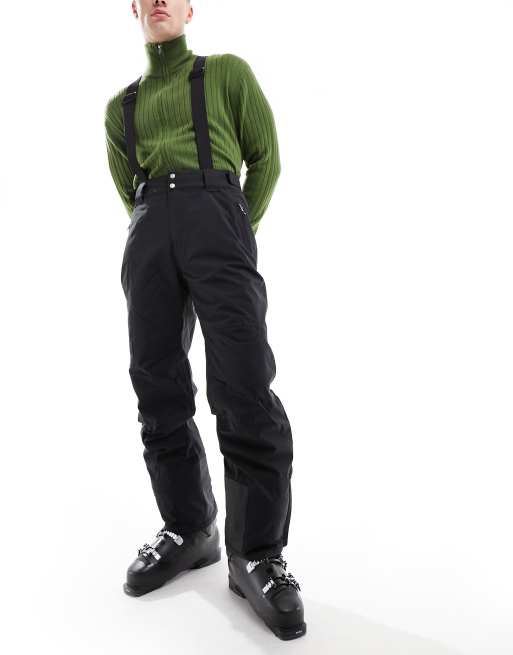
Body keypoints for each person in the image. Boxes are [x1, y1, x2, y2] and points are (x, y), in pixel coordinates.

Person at [104, 0, 306, 640]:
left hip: (218, 219)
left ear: (190, 9)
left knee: (243, 383)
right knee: (156, 381)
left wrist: (233, 227)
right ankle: (190, 527)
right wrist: (159, 231)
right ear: (135, 9)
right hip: (149, 234)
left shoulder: (227, 73)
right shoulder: (120, 107)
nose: (160, 0)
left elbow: (266, 159)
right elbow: (128, 188)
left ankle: (257, 554)